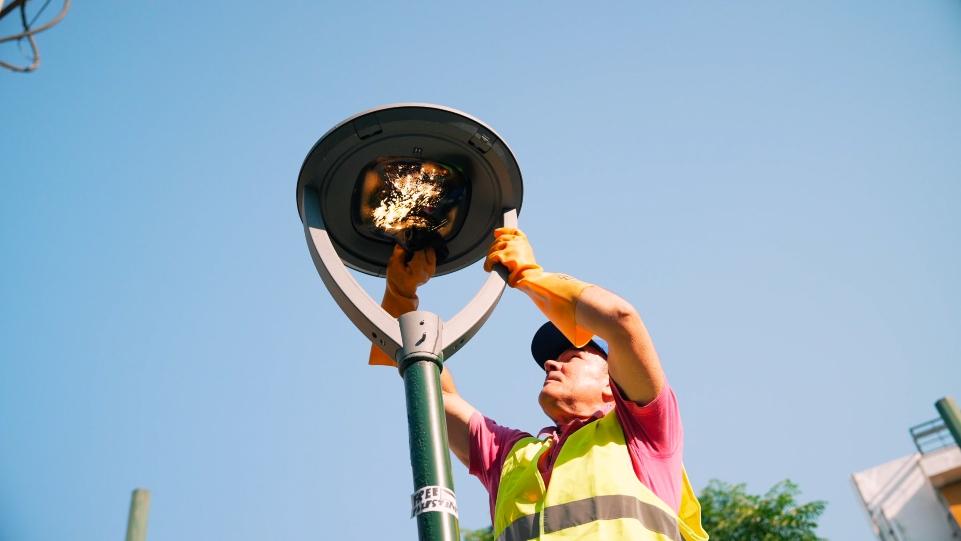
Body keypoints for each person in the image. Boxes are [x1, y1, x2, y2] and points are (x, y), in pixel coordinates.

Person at [369, 228, 708, 541]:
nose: (550, 363)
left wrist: (530, 276)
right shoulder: (511, 458)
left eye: (573, 355)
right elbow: (431, 395)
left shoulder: (641, 433)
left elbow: (620, 322)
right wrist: (401, 298)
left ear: (612, 382)